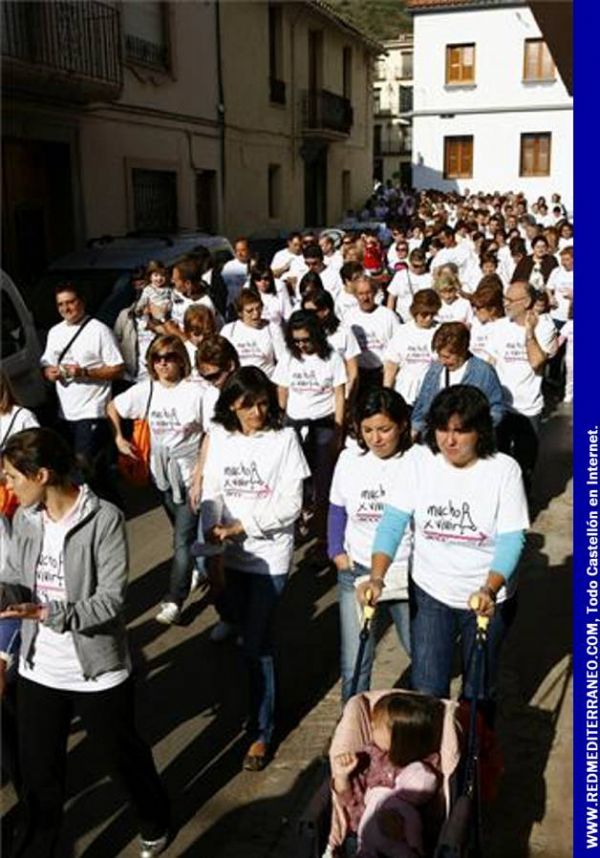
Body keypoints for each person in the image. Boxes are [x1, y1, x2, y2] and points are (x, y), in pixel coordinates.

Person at [0, 428, 171, 858]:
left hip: (96, 672)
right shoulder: (24, 519)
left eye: (12, 478)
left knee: (122, 760)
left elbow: (110, 603)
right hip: (39, 668)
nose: (7, 487)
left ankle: (154, 818)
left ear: (41, 475)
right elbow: (20, 582)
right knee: (39, 780)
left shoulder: (105, 519)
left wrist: (48, 613)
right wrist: (9, 598)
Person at [362, 385, 529, 713]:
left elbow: (512, 539)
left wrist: (489, 588)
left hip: (486, 597)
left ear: (480, 432)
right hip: (431, 590)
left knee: (478, 691)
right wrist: (377, 577)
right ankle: (430, 761)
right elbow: (393, 522)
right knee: (426, 690)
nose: (449, 441)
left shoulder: (504, 469)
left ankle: (474, 760)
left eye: (460, 431)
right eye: (442, 430)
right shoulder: (419, 461)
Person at [201, 367, 310, 770]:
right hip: (228, 556)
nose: (258, 412)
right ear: (232, 403)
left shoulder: (284, 440)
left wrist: (241, 527)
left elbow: (290, 504)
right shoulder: (220, 437)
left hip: (269, 558)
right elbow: (212, 492)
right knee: (239, 624)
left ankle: (261, 732)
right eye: (249, 405)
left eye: (264, 403)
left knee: (257, 642)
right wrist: (213, 546)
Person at [107, 335, 204, 625]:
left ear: (181, 360)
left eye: (169, 357)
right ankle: (202, 563)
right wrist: (119, 439)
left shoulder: (196, 392)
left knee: (181, 540)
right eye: (157, 358)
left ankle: (175, 599)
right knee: (182, 530)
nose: (163, 363)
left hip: (190, 474)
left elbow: (213, 431)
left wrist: (200, 473)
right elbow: (112, 407)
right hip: (161, 474)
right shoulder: (145, 390)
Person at [328, 388, 413, 703]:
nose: (376, 438)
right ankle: (352, 727)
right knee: (355, 659)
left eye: (384, 429)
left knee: (420, 651)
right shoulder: (349, 459)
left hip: (404, 571)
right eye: (367, 430)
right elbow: (337, 508)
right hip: (357, 570)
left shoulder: (416, 460)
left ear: (402, 425)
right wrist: (336, 552)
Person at [40, 283, 125, 499]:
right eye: (61, 304)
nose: (66, 308)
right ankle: (102, 507)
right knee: (77, 471)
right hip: (65, 414)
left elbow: (117, 369)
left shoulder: (99, 330)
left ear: (81, 302)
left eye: (70, 302)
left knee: (86, 468)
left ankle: (110, 511)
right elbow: (46, 364)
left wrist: (84, 372)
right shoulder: (55, 332)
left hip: (92, 411)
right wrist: (48, 373)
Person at [331, 693, 441, 858]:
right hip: (363, 836)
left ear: (397, 738)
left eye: (376, 726)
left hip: (407, 842)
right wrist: (342, 776)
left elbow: (434, 814)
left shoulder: (424, 770)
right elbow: (350, 802)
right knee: (350, 844)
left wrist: (403, 828)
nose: (371, 726)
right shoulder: (370, 757)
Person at [273, 310, 347, 558]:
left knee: (323, 484)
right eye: (296, 341)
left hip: (323, 427)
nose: (301, 345)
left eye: (305, 339)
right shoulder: (289, 358)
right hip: (293, 427)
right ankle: (294, 527)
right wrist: (279, 422)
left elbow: (339, 395)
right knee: (294, 484)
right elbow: (282, 391)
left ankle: (323, 538)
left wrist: (338, 430)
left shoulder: (332, 358)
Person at [487, 281, 557, 498]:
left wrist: (529, 332)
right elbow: (490, 363)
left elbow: (537, 363)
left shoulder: (545, 327)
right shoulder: (498, 327)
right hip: (501, 407)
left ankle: (523, 511)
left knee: (524, 466)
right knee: (498, 463)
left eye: (509, 300)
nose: (504, 304)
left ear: (526, 302)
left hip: (529, 409)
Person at [411, 323, 504, 438]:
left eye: (447, 357)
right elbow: (422, 404)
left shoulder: (484, 372)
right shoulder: (435, 370)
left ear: (462, 351)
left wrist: (473, 429)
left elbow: (496, 411)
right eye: (440, 356)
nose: (442, 361)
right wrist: (415, 430)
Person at [383, 289, 441, 408]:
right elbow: (391, 365)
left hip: (432, 391)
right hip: (405, 391)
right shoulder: (402, 331)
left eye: (432, 314)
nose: (429, 318)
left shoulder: (440, 330)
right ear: (415, 311)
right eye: (424, 314)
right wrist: (386, 393)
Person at [302, 289, 360, 406]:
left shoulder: (343, 333)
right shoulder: (301, 335)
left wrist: (349, 400)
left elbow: (353, 371)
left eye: (311, 312)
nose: (307, 316)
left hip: (338, 398)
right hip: (310, 399)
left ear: (325, 310)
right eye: (304, 312)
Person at [347, 277, 401, 394]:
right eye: (361, 294)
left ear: (375, 293)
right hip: (359, 373)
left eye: (368, 293)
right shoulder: (349, 317)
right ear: (355, 295)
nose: (365, 298)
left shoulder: (388, 316)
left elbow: (398, 346)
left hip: (382, 373)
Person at [221, 289, 286, 378]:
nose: (256, 314)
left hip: (266, 381)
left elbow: (283, 359)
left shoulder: (272, 328)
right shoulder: (229, 330)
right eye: (249, 311)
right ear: (240, 313)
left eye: (258, 308)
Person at [386, 249, 432, 322]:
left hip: (422, 319)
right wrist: (389, 317)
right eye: (416, 266)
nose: (419, 269)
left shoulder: (430, 277)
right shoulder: (400, 275)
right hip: (402, 319)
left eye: (422, 265)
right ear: (410, 262)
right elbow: (392, 297)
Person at [469, 276, 505, 361]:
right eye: (473, 306)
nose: (474, 310)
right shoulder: (474, 323)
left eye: (478, 308)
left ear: (492, 310)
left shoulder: (503, 327)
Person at [182, 304, 218, 383]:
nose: (201, 338)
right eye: (197, 334)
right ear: (187, 332)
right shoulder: (182, 351)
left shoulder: (218, 348)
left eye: (207, 334)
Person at [221, 237, 251, 313]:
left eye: (243, 250)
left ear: (249, 250)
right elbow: (222, 286)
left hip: (248, 306)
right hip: (232, 306)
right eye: (237, 251)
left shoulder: (254, 265)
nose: (239, 254)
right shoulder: (229, 266)